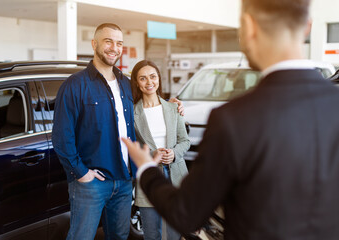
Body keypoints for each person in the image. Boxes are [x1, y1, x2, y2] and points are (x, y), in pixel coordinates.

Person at [122, 0, 339, 239]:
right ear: (307, 26)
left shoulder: (232, 119)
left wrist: (147, 169)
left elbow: (186, 213)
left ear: (248, 27)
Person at [52, 23, 184, 240]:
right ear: (94, 44)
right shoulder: (74, 85)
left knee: (119, 237)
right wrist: (82, 173)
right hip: (91, 182)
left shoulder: (125, 83)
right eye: (108, 41)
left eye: (119, 43)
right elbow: (62, 137)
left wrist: (172, 105)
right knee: (81, 236)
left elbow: (147, 103)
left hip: (123, 181)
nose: (114, 47)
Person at [130, 60, 190, 240]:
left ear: (158, 79)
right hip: (148, 177)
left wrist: (174, 154)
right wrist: (151, 156)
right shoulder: (132, 112)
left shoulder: (173, 108)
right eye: (143, 78)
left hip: (175, 175)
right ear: (137, 83)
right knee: (151, 234)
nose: (149, 82)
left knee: (174, 233)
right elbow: (132, 147)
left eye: (153, 76)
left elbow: (185, 141)